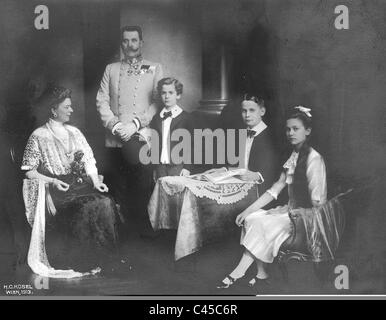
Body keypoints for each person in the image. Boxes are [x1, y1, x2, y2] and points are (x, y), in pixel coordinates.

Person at [217, 106, 327, 289]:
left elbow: (318, 202)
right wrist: (247, 210)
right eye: (288, 129)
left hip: (306, 218)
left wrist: (296, 213)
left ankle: (238, 272)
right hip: (290, 211)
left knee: (264, 224)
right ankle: (262, 273)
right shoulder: (294, 155)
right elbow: (276, 188)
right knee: (252, 218)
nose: (290, 133)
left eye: (296, 129)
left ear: (307, 131)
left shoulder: (314, 159)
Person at [22, 86, 120, 278]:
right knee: (88, 206)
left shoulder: (74, 132)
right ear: (53, 110)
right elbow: (29, 172)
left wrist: (95, 180)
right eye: (66, 107)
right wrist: (52, 181)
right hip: (60, 191)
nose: (71, 110)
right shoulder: (39, 136)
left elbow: (89, 160)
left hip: (80, 185)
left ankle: (109, 260)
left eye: (71, 106)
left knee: (106, 200)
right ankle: (82, 261)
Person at [96, 25, 163, 227]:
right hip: (115, 140)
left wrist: (135, 124)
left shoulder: (154, 68)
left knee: (141, 189)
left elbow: (157, 102)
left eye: (134, 40)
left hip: (141, 138)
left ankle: (140, 237)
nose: (130, 45)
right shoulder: (111, 69)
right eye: (126, 40)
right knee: (118, 190)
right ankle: (122, 239)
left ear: (141, 43)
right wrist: (115, 126)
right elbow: (101, 101)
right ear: (121, 43)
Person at [149, 77, 194, 180]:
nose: (167, 96)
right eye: (163, 93)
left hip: (178, 166)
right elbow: (155, 144)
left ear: (178, 95)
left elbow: (191, 145)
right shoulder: (156, 118)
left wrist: (187, 167)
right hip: (160, 166)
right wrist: (155, 168)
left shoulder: (186, 117)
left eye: (171, 93)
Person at [233, 94, 279, 194]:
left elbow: (276, 170)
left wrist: (257, 176)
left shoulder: (273, 136)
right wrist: (224, 170)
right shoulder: (241, 134)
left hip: (262, 192)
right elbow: (239, 165)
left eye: (252, 110)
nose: (247, 115)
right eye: (244, 111)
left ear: (262, 111)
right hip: (241, 187)